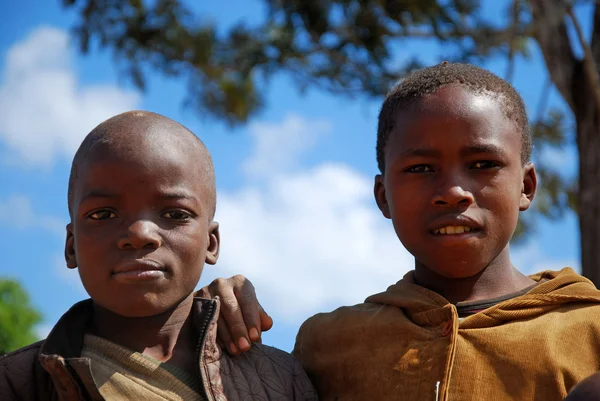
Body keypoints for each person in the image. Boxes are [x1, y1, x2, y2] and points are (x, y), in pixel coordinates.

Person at [201, 63, 600, 401]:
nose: (453, 192)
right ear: (383, 197)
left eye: (482, 164)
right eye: (421, 169)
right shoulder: (328, 345)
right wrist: (202, 322)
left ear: (525, 187)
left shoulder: (588, 330)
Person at [0, 111, 317, 401]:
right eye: (104, 214)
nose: (140, 233)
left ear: (211, 242)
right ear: (71, 246)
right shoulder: (19, 383)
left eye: (175, 213)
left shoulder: (276, 379)